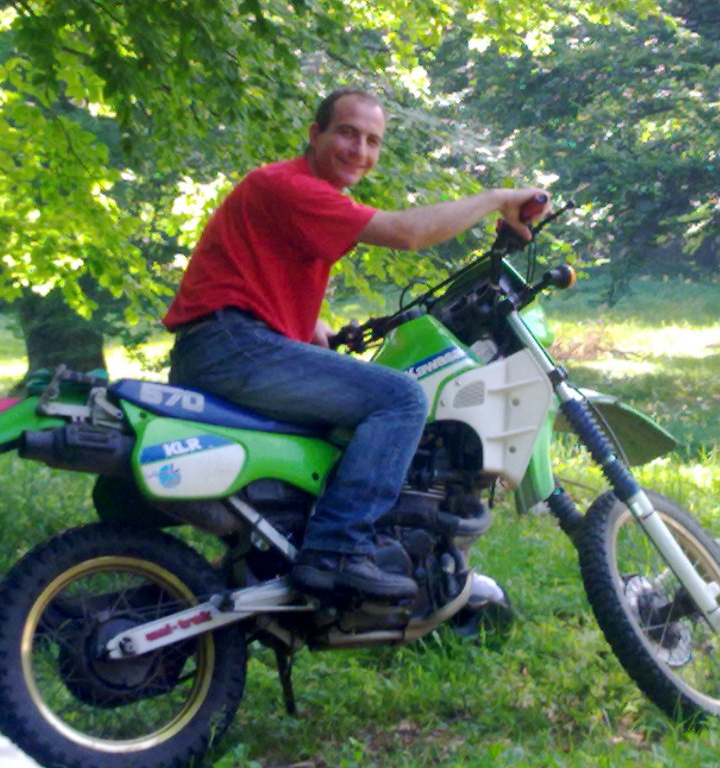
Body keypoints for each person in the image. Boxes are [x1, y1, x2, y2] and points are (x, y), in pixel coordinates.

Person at [164, 87, 550, 601]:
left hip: (227, 344)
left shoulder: (295, 193)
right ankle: (337, 551)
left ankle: (276, 552)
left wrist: (316, 329)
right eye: (347, 133)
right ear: (315, 134)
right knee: (401, 398)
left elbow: (256, 278)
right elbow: (406, 232)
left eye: (372, 141)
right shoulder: (292, 186)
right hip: (231, 346)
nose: (360, 150)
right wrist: (497, 200)